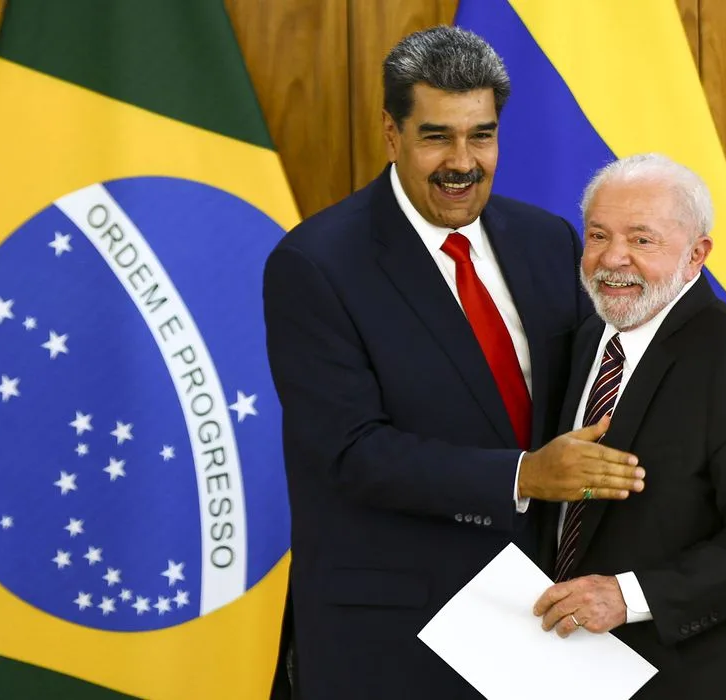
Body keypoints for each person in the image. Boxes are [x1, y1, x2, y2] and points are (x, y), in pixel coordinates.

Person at [262, 26, 644, 699]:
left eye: (483, 135)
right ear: (392, 132)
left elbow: (594, 391)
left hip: (544, 622)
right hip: (396, 638)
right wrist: (527, 473)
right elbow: (351, 453)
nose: (463, 161)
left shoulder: (546, 240)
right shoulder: (315, 265)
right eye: (437, 135)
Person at [532, 153, 726, 699]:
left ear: (697, 254)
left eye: (642, 240)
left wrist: (626, 597)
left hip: (715, 677)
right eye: (598, 235)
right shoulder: (584, 342)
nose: (613, 259)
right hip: (590, 672)